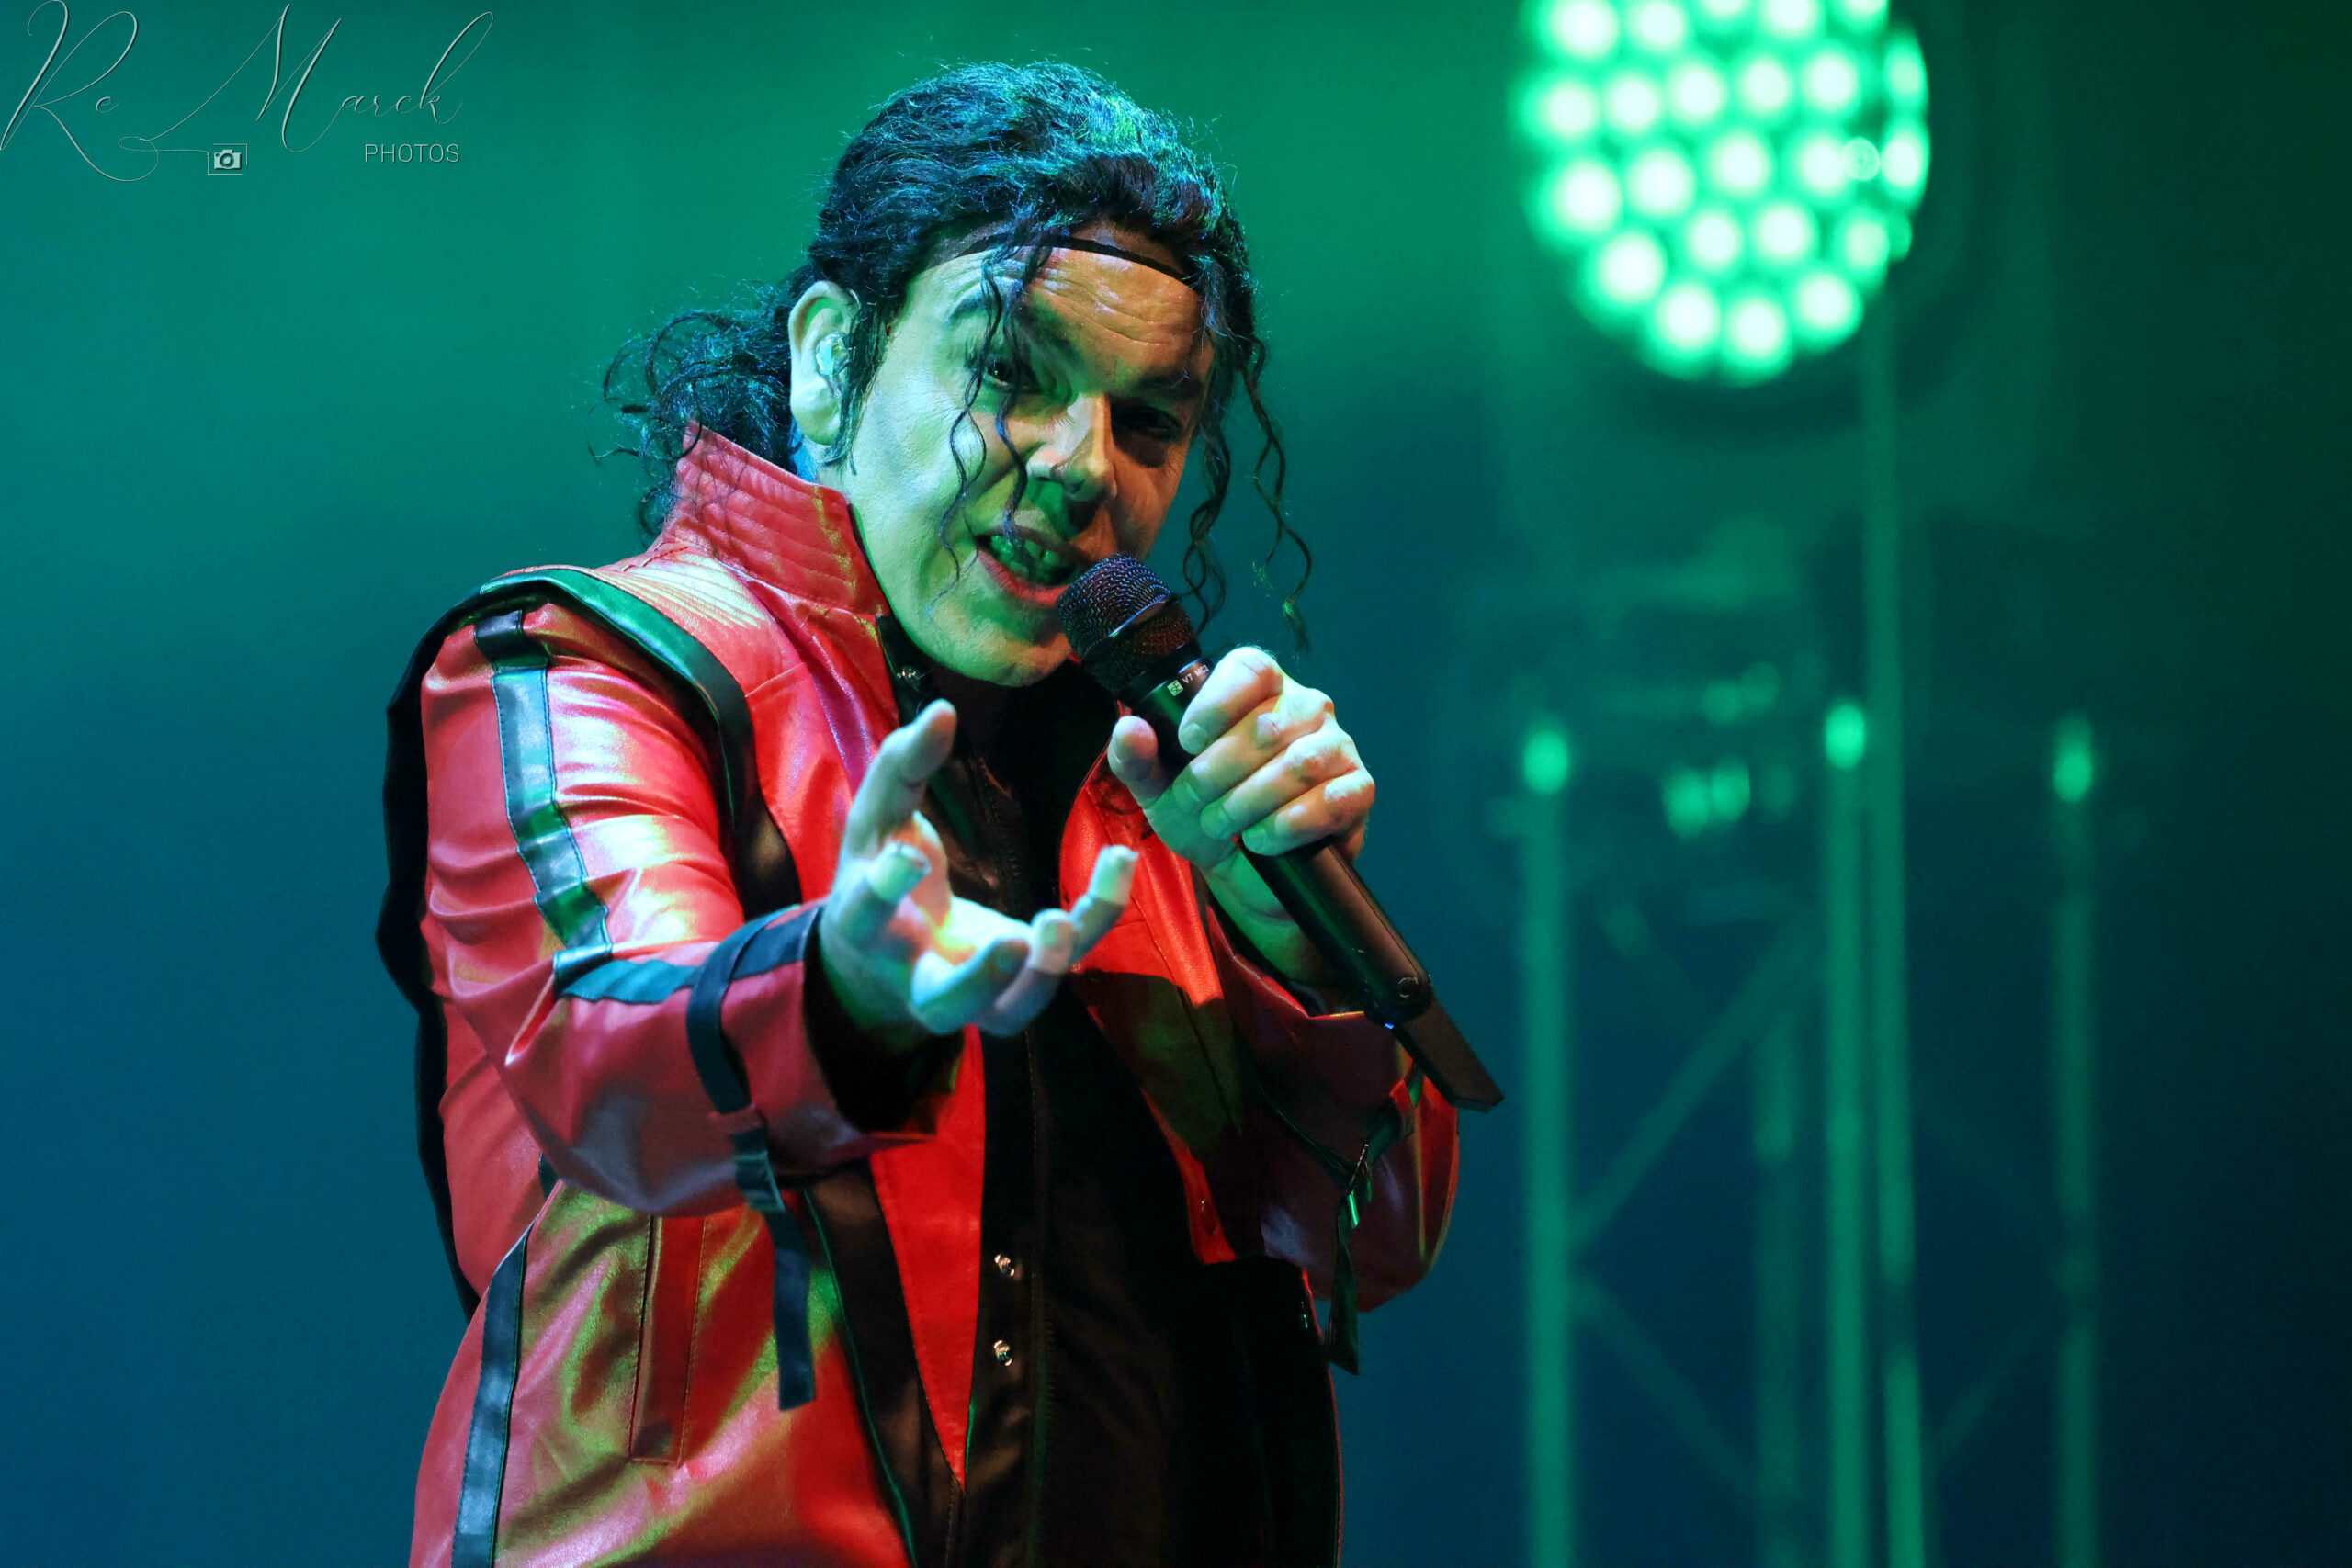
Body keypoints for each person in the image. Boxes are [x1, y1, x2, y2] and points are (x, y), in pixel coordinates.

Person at [378, 61, 1460, 1568]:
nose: (1083, 466)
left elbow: (1376, 1241)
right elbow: (609, 1056)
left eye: (1149, 420)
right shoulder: (596, 664)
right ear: (832, 363)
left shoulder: (1167, 776)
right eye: (1010, 372)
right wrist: (842, 993)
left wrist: (1297, 953)